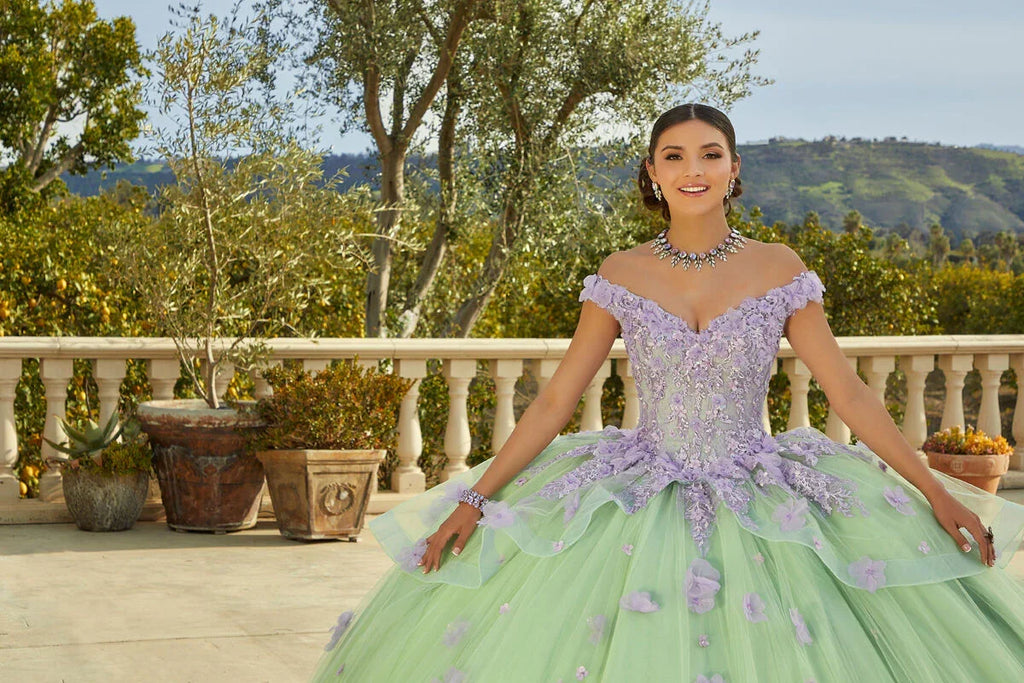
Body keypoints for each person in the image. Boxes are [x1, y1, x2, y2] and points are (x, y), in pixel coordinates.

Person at [311, 104, 1024, 682]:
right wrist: (475, 497)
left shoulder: (779, 266)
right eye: (674, 155)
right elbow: (558, 399)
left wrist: (934, 490)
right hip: (637, 490)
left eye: (710, 153)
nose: (693, 169)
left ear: (734, 168)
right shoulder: (620, 271)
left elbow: (849, 393)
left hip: (759, 487)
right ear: (652, 172)